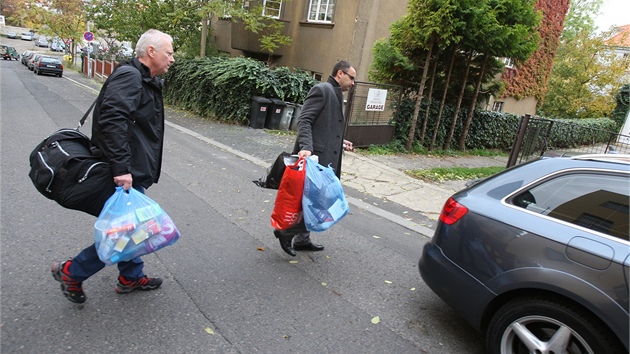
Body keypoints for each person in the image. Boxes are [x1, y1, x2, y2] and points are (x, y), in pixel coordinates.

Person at [51, 29, 176, 304]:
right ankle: (73, 271)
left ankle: (130, 276)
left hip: (132, 165)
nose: (172, 59)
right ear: (151, 52)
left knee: (132, 226)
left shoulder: (143, 78)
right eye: (169, 53)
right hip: (123, 169)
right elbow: (112, 121)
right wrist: (121, 168)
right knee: (125, 232)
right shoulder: (131, 76)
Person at [274, 60, 356, 256]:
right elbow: (304, 119)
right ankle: (285, 232)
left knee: (314, 200)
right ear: (339, 74)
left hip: (325, 159)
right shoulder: (322, 90)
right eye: (351, 77)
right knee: (319, 203)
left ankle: (302, 239)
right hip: (316, 160)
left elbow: (325, 127)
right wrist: (307, 148)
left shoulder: (334, 94)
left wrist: (340, 141)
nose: (353, 82)